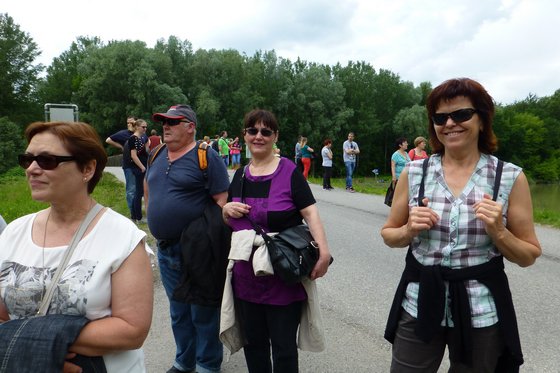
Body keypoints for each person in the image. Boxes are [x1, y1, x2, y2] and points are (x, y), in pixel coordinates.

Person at [380, 78, 542, 372]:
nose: (450, 123)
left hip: (479, 308)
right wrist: (408, 230)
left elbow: (529, 255)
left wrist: (499, 231)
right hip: (419, 302)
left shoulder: (508, 177)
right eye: (440, 117)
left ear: (482, 119)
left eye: (462, 114)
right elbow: (389, 235)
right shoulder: (415, 172)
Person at [0, 121, 153, 371]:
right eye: (27, 159)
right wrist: (38, 352)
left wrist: (40, 343)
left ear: (88, 168)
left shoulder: (122, 237)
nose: (32, 169)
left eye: (47, 160)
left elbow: (131, 331)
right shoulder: (13, 233)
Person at [220, 109, 331, 373]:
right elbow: (230, 218)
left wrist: (324, 252)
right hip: (246, 277)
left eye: (265, 131)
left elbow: (310, 212)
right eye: (252, 130)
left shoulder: (289, 172)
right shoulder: (240, 175)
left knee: (283, 348)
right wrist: (225, 211)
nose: (258, 136)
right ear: (244, 135)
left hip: (283, 274)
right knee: (254, 344)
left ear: (275, 136)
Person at [145, 104, 230, 373]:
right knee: (178, 311)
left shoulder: (207, 156)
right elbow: (149, 187)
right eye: (163, 123)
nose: (165, 127)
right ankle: (184, 361)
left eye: (173, 122)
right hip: (166, 249)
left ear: (190, 127)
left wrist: (204, 238)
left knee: (203, 311)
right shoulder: (157, 152)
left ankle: (207, 365)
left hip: (197, 250)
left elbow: (222, 201)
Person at [123, 119, 149, 222]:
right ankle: (138, 217)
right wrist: (142, 167)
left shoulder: (140, 138)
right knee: (138, 192)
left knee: (139, 192)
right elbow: (133, 156)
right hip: (138, 169)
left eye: (146, 127)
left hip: (140, 168)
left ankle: (135, 216)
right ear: (137, 127)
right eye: (143, 127)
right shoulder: (133, 139)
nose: (145, 129)